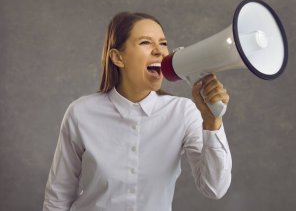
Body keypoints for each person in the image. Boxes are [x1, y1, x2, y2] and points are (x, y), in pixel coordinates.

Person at [43, 12, 232, 211]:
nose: (160, 51)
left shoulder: (183, 112)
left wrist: (212, 123)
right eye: (145, 43)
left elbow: (215, 188)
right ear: (117, 57)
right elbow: (58, 196)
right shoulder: (80, 113)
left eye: (163, 43)